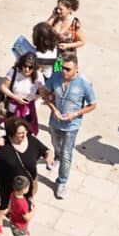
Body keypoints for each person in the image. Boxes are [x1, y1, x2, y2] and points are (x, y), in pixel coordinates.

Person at [44, 50, 96, 198]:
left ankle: (61, 182)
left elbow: (93, 105)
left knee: (67, 153)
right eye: (63, 68)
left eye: (68, 69)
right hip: (55, 121)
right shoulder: (56, 77)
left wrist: (76, 114)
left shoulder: (84, 84)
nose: (64, 72)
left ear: (76, 69)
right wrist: (53, 108)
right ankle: (57, 157)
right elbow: (45, 93)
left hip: (71, 126)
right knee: (55, 143)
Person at [0, 118, 48, 218]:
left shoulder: (30, 140)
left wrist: (48, 154)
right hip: (6, 183)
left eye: (25, 131)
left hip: (26, 184)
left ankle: (15, 214)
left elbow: (44, 150)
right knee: (3, 204)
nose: (24, 135)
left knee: (25, 203)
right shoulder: (3, 143)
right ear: (11, 133)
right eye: (20, 133)